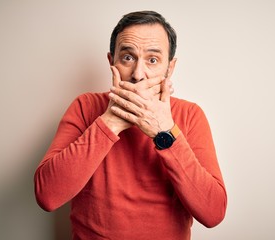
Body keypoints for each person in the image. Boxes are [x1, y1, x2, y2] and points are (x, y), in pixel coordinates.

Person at [34, 10, 227, 240]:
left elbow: (213, 212)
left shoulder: (190, 115)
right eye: (127, 57)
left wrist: (164, 130)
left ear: (170, 68)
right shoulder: (85, 107)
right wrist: (111, 121)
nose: (138, 74)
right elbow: (47, 196)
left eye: (153, 60)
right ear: (111, 61)